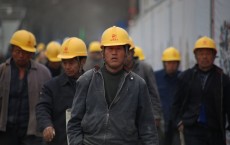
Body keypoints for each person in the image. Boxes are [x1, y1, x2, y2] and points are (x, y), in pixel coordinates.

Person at [67, 26, 159, 145]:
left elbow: (148, 128)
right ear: (103, 53)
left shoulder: (138, 84)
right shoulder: (86, 80)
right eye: (110, 48)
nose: (114, 53)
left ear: (127, 52)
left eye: (119, 48)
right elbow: (74, 123)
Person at [172, 36, 230, 145]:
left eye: (208, 54)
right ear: (196, 56)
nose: (204, 57)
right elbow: (176, 104)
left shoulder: (223, 79)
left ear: (213, 56)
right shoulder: (185, 77)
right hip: (192, 129)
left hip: (215, 130)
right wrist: (179, 122)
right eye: (201, 54)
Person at [0, 29, 51, 145]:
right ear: (12, 50)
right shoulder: (2, 71)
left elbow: (48, 104)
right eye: (18, 51)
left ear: (32, 53)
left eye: (26, 52)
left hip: (32, 134)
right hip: (5, 133)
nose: (21, 56)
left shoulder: (44, 73)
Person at [36, 37, 87, 145]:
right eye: (64, 62)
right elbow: (42, 107)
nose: (67, 67)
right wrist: (47, 125)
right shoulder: (51, 86)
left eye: (71, 62)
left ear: (83, 61)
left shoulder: (94, 84)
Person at [125, 38, 162, 127]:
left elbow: (153, 93)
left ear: (133, 52)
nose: (126, 55)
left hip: (143, 116)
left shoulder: (145, 68)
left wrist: (156, 115)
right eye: (124, 52)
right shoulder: (117, 70)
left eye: (128, 52)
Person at [155, 47, 181, 145]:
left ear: (178, 64)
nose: (171, 66)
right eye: (169, 63)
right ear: (164, 63)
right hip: (161, 120)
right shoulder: (156, 76)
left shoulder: (183, 78)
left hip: (176, 122)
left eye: (174, 63)